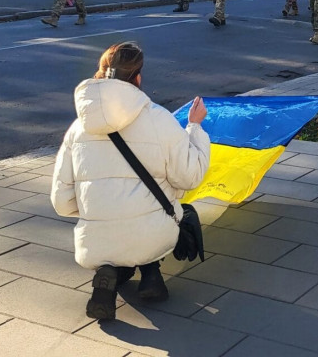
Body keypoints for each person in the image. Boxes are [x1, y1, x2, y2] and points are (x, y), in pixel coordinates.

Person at [50, 42, 210, 321]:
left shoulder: (77, 129)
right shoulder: (158, 119)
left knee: (117, 237)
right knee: (167, 210)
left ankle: (109, 273)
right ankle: (151, 274)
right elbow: (190, 176)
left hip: (95, 242)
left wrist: (100, 207)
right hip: (152, 235)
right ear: (137, 78)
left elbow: (61, 202)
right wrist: (194, 127)